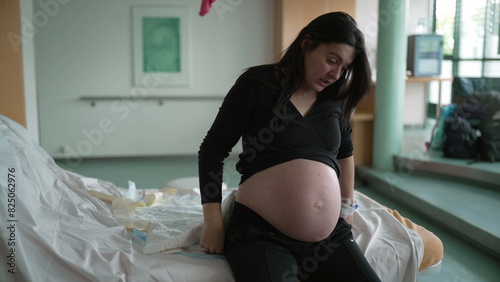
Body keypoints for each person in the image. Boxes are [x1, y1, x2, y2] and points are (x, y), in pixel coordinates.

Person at [198, 11, 381, 281]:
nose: (335, 74)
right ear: (307, 44)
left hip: (328, 237)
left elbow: (345, 154)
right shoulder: (257, 85)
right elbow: (213, 149)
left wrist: (346, 209)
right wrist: (212, 221)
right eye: (332, 60)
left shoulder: (335, 100)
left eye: (344, 68)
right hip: (261, 232)